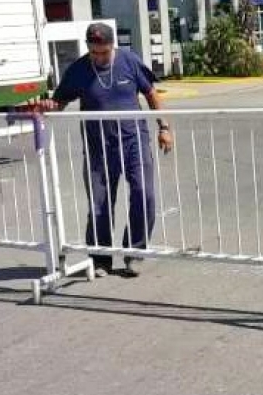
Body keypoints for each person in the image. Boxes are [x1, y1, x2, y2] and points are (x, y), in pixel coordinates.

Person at [32, 22, 173, 277]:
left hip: (133, 141)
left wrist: (164, 126)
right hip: (98, 146)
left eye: (103, 52)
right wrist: (49, 105)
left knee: (144, 194)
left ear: (113, 46)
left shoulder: (129, 61)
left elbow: (151, 93)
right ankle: (100, 259)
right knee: (100, 204)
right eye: (94, 52)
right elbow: (60, 101)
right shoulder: (78, 70)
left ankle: (134, 252)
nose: (98, 57)